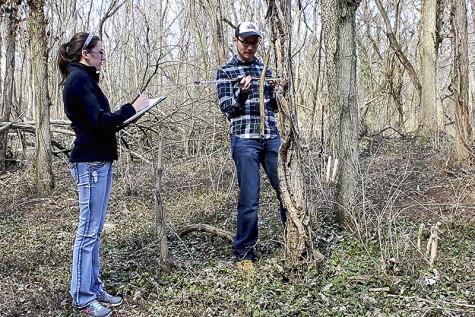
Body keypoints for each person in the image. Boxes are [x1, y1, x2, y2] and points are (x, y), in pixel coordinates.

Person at [57, 32, 149, 317]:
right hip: (90, 163)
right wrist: (132, 108)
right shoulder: (79, 81)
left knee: (94, 232)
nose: (103, 55)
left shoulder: (85, 80)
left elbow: (100, 123)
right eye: (99, 51)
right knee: (87, 231)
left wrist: (131, 113)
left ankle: (94, 288)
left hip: (99, 160)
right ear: (85, 54)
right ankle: (83, 298)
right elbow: (99, 121)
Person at [216, 22, 286, 268]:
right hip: (245, 140)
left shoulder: (265, 68)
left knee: (286, 192)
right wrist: (243, 93)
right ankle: (244, 253)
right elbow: (228, 110)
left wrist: (281, 92)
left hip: (271, 138)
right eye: (244, 42)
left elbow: (275, 107)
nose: (249, 47)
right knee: (250, 199)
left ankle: (294, 242)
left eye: (253, 42)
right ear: (235, 41)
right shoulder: (225, 71)